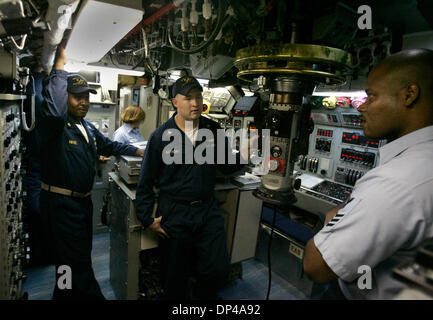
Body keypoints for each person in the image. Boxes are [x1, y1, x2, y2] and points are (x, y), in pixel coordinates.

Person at [303, 48, 433, 299]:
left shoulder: (394, 182)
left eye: (371, 97)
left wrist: (335, 215)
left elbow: (316, 265)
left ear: (409, 95)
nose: (362, 107)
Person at [39, 46, 145, 300]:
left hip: (81, 203)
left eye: (87, 96)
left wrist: (137, 151)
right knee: (72, 263)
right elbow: (53, 110)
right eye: (77, 96)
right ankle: (77, 296)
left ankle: (65, 294)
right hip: (62, 204)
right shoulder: (56, 125)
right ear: (65, 97)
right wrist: (59, 69)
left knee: (75, 258)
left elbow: (110, 145)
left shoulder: (85, 125)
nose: (84, 101)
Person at [135, 75, 247, 299]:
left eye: (198, 97)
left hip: (207, 211)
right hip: (176, 213)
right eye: (188, 98)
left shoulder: (213, 130)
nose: (195, 103)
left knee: (216, 270)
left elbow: (226, 165)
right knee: (174, 277)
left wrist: (246, 155)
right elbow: (145, 182)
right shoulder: (160, 137)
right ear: (175, 102)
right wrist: (147, 219)